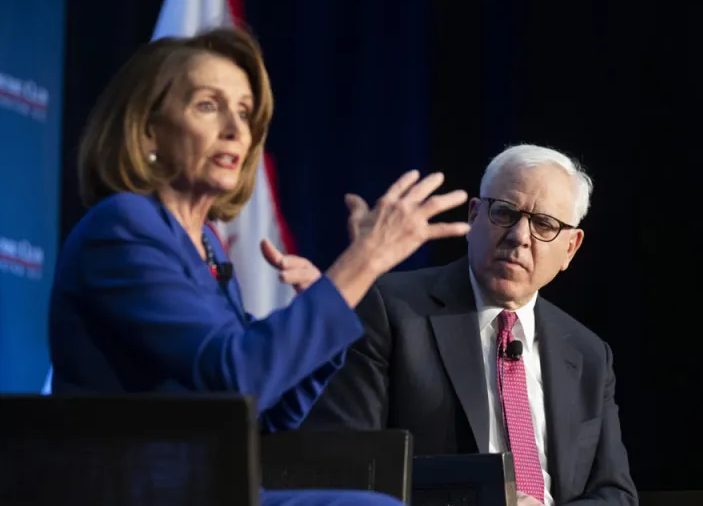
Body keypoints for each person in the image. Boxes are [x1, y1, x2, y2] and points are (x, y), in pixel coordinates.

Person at [47, 27, 470, 506]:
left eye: (245, 112)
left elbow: (264, 412)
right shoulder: (123, 227)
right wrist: (363, 262)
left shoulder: (205, 244)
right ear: (149, 129)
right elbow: (236, 377)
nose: (236, 129)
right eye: (208, 105)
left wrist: (324, 303)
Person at [302, 144, 638, 506]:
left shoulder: (589, 354)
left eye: (544, 225)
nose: (519, 237)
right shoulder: (390, 310)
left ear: (570, 248)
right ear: (475, 215)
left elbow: (615, 493)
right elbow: (349, 470)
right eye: (505, 213)